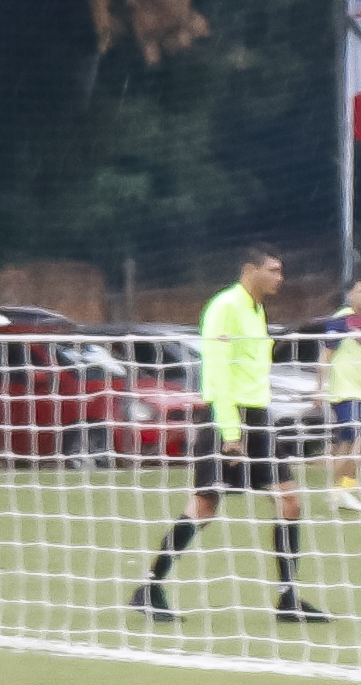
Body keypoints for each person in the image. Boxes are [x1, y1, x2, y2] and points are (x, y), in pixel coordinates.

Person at [138, 244, 323, 625]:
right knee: (205, 507)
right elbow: (217, 372)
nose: (279, 278)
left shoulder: (257, 310)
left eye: (280, 270)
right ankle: (150, 588)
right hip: (228, 417)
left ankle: (288, 599)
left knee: (290, 501)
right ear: (249, 269)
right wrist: (229, 430)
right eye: (273, 270)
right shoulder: (224, 307)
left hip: (258, 416)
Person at [319, 276, 361, 510]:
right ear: (350, 295)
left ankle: (339, 491)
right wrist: (319, 388)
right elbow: (325, 354)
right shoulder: (342, 321)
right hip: (344, 391)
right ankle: (342, 489)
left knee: (347, 444)